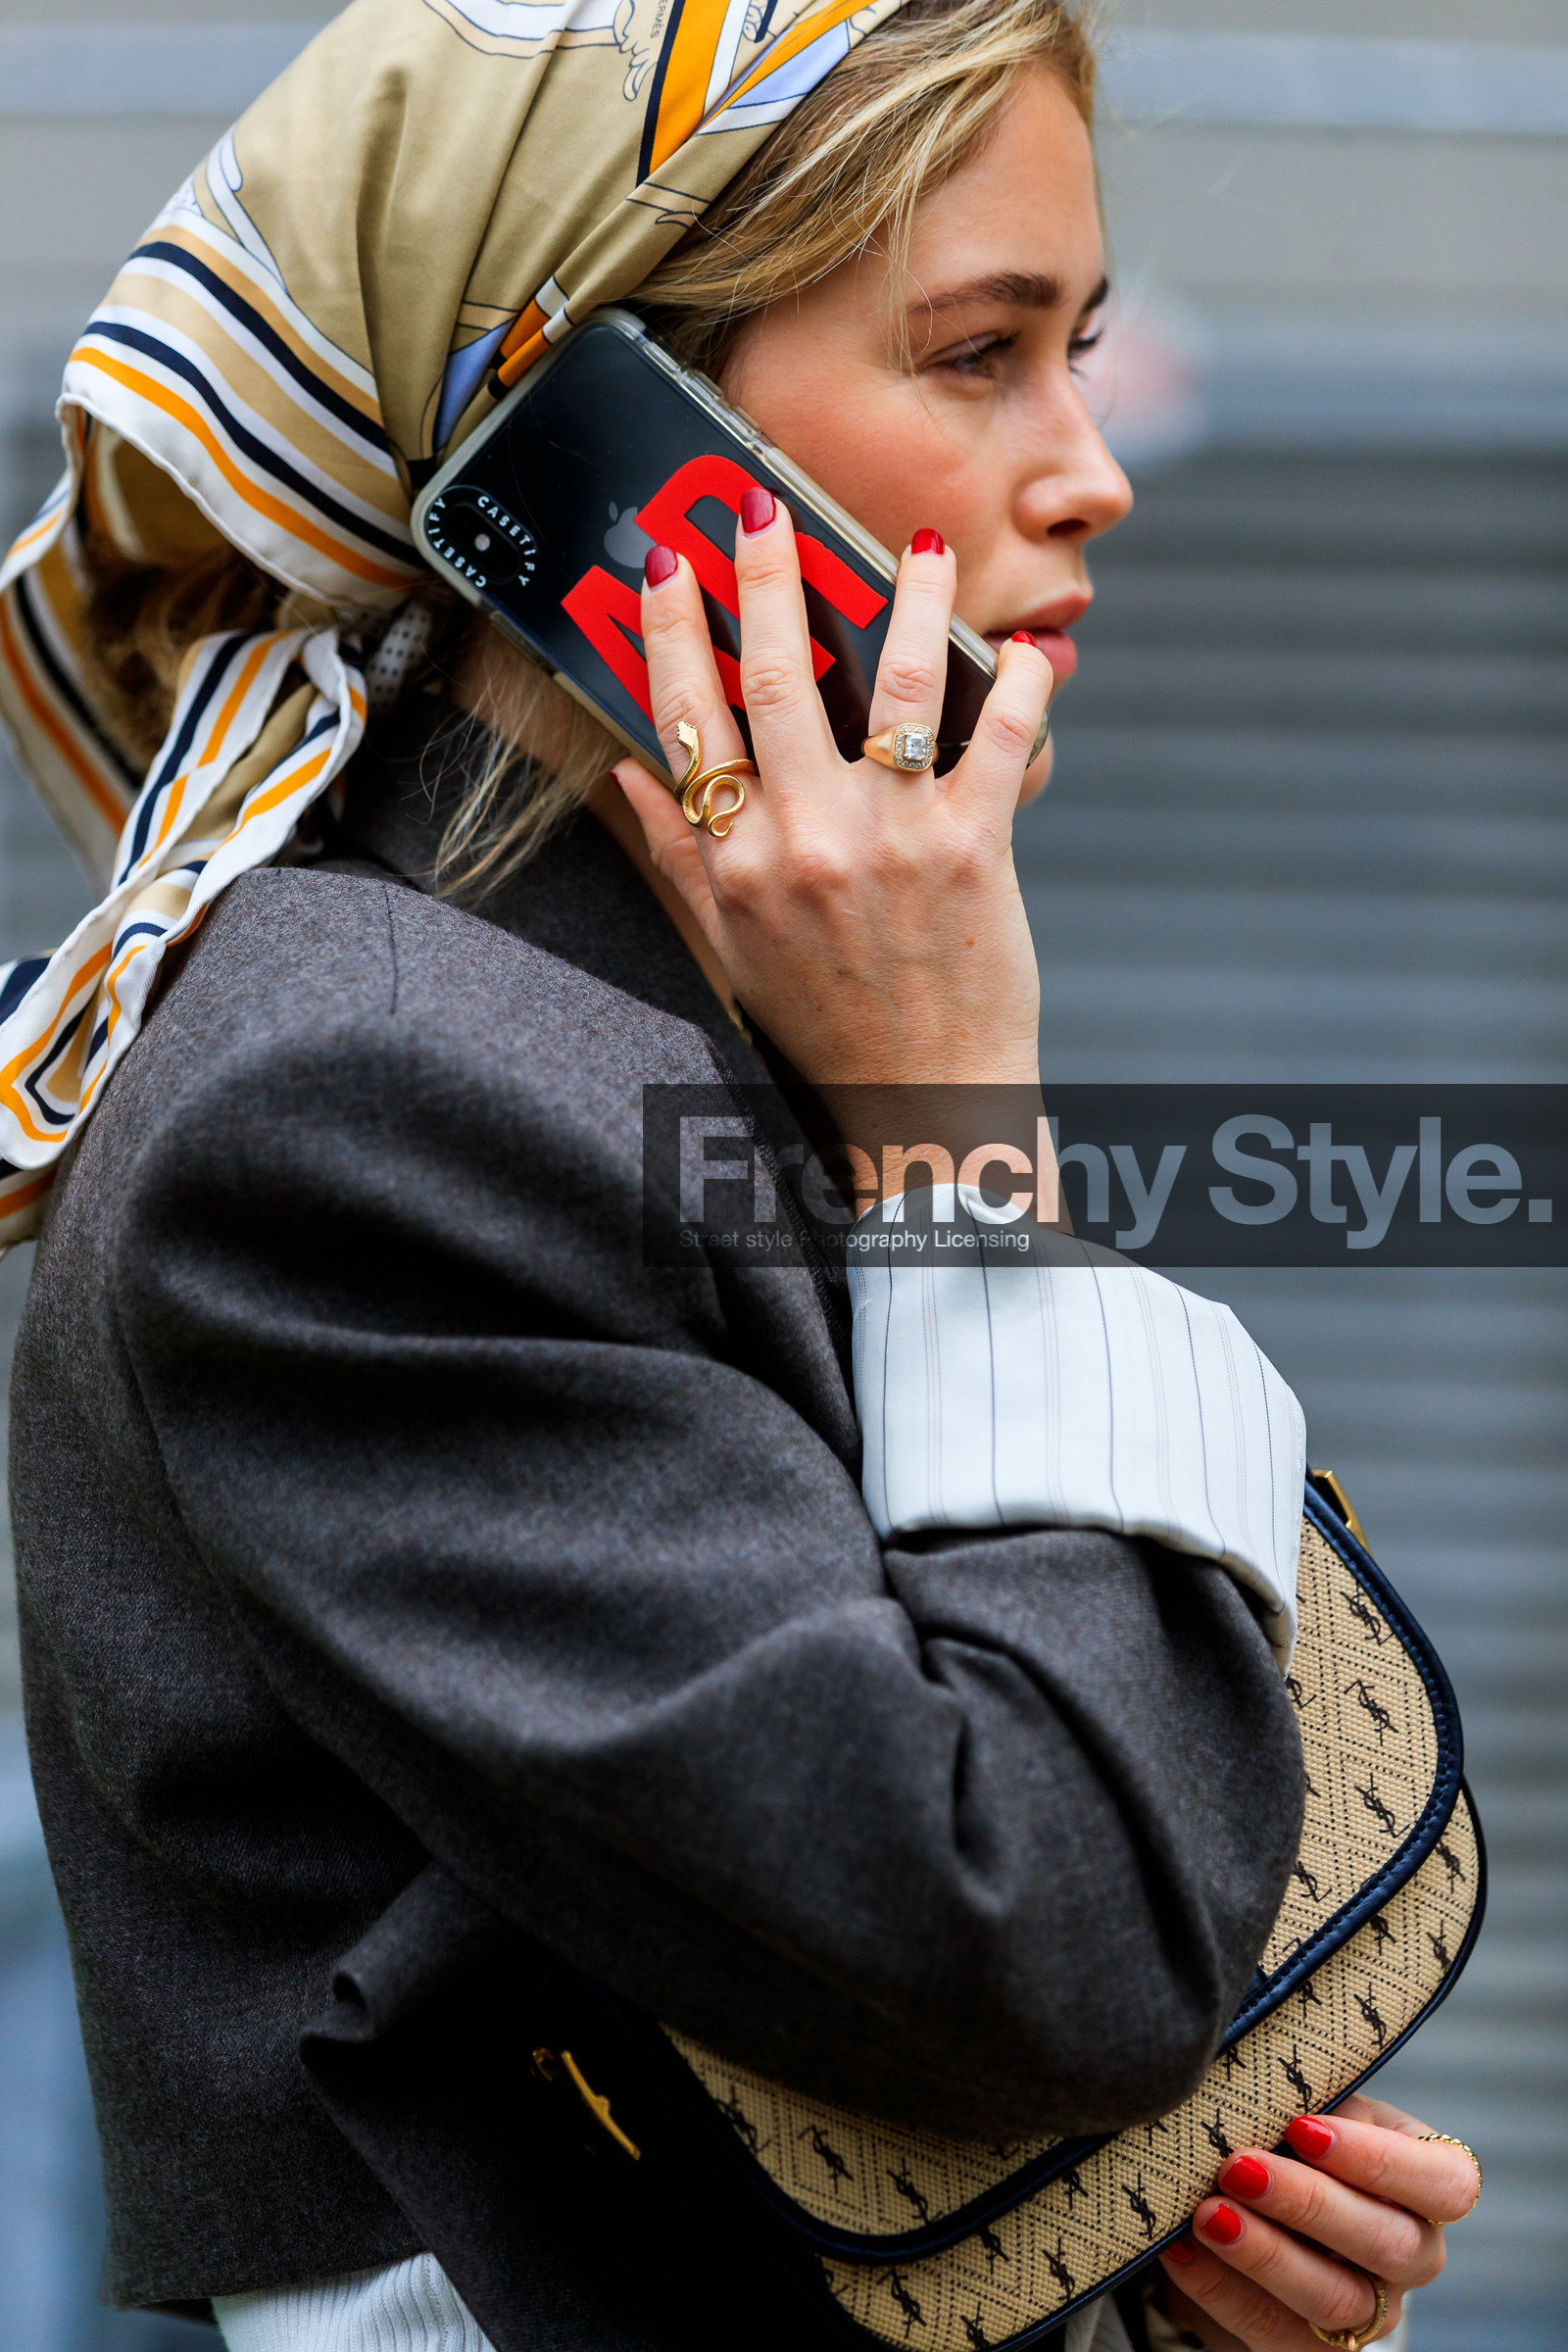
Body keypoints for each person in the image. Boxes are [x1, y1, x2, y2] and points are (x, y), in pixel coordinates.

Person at [0, 2, 1482, 2348]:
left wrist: (1137, 2283)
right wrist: (957, 1129)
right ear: (606, 442)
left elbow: (874, 2016)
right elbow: (1049, 1940)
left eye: (1077, 351)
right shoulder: (357, 1103)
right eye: (977, 353)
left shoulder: (697, 1034)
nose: (1086, 467)